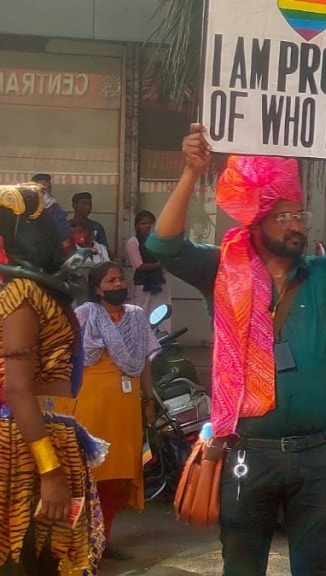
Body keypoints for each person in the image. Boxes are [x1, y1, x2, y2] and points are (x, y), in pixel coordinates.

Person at [144, 124, 326, 575]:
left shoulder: (324, 272)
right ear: (257, 221)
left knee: (314, 568)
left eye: (300, 217)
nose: (294, 226)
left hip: (319, 455)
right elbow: (164, 244)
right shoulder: (220, 267)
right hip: (250, 452)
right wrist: (192, 172)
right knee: (243, 566)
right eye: (282, 218)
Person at [0, 183, 106, 575]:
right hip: (24, 448)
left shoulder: (43, 291)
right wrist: (49, 471)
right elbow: (18, 387)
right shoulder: (23, 293)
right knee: (25, 558)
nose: (67, 233)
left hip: (53, 433)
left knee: (52, 561)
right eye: (55, 221)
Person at [73, 261, 159, 561]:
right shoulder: (85, 314)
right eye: (110, 281)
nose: (117, 285)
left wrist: (149, 400)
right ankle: (78, 543)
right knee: (88, 476)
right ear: (97, 288)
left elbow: (145, 361)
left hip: (125, 409)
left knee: (116, 477)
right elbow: (70, 359)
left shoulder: (136, 316)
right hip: (91, 406)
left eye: (121, 279)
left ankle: (103, 539)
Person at [125, 210, 170, 329]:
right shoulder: (133, 242)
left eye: (150, 223)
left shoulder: (158, 241)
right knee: (142, 312)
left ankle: (161, 339)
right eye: (143, 223)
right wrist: (160, 264)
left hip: (159, 281)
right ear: (137, 225)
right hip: (143, 284)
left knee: (162, 312)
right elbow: (140, 266)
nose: (147, 226)